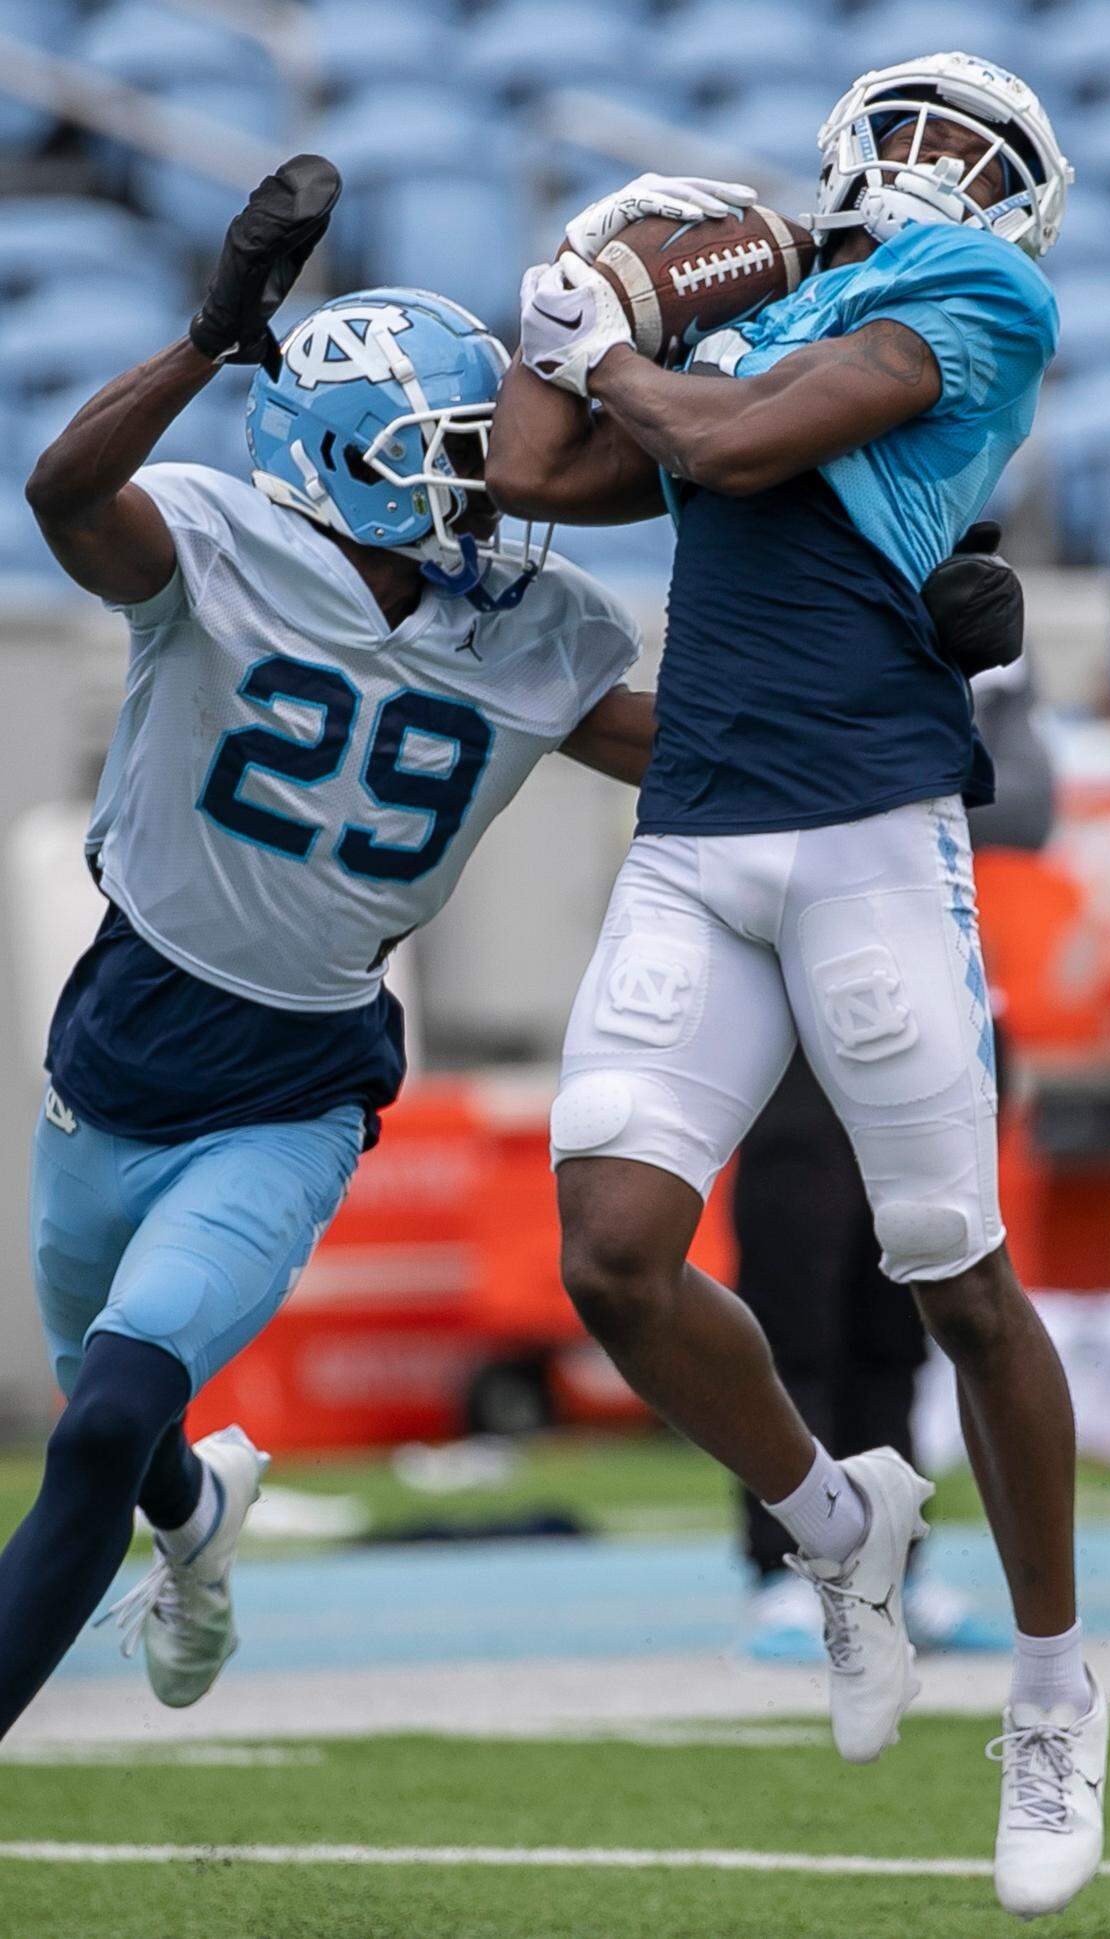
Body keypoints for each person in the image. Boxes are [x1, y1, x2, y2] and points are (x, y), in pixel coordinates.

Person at [486, 52, 1107, 1920]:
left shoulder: (984, 295)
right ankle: (835, 1522)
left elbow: (734, 448)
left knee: (955, 1268)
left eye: (976, 151)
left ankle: (1056, 1692)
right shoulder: (774, 292)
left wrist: (608, 342)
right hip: (698, 831)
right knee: (609, 1242)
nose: (930, 165)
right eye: (910, 127)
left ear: (1018, 205)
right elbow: (532, 470)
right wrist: (554, 306)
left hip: (866, 833)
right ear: (847, 140)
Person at [0, 155, 655, 1743]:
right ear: (356, 464)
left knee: (94, 1432)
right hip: (117, 1045)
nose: (499, 485)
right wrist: (211, 339)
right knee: (121, 1415)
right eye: (459, 457)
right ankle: (198, 1514)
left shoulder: (538, 633)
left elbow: (702, 749)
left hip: (292, 1085)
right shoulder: (220, 548)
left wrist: (898, 662)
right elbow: (63, 496)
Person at [736, 644, 1056, 1662]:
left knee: (912, 1308)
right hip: (793, 995)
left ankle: (898, 1560)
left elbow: (1026, 805)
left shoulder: (954, 586)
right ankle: (790, 1565)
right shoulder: (767, 598)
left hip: (927, 985)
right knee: (798, 1299)